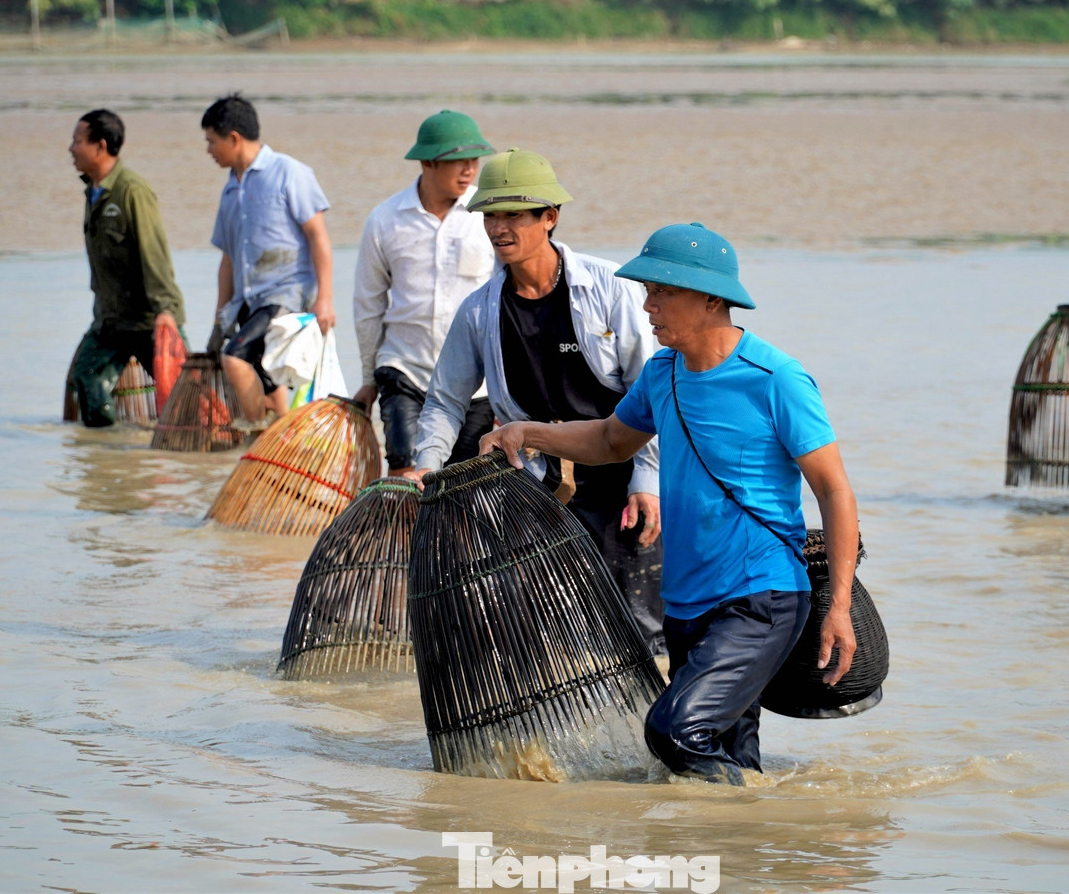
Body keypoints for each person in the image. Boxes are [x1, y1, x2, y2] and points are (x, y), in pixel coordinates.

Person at [479, 223, 860, 786]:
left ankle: (762, 819)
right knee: (722, 748)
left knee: (673, 732)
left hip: (761, 595)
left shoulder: (775, 378)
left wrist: (840, 605)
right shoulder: (663, 373)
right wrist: (527, 431)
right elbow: (611, 441)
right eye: (647, 290)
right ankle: (748, 850)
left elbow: (834, 490)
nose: (648, 304)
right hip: (683, 604)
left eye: (663, 292)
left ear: (711, 300)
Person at [411, 149, 666, 653]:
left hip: (620, 477)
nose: (498, 228)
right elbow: (444, 401)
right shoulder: (480, 311)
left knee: (641, 630)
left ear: (549, 217)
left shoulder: (609, 288)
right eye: (490, 215)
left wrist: (649, 480)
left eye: (514, 215)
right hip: (536, 485)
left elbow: (651, 391)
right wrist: (425, 467)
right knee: (542, 626)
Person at [352, 110, 497, 475]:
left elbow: (509, 301)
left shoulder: (490, 216)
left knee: (462, 490)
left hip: (475, 384)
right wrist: (369, 379)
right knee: (406, 479)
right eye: (458, 161)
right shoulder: (385, 220)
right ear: (428, 162)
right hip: (404, 371)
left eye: (474, 160)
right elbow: (368, 306)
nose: (469, 170)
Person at [203, 94, 335, 427]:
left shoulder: (288, 173)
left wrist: (325, 299)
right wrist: (221, 319)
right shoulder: (230, 190)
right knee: (272, 385)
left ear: (233, 138)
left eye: (211, 142)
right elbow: (228, 260)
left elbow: (318, 236)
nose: (208, 150)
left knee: (234, 358)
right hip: (249, 299)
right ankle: (283, 437)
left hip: (285, 296)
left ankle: (257, 438)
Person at [67, 108, 187, 428]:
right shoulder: (93, 192)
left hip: (148, 318)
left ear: (100, 146)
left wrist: (165, 312)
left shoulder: (132, 191)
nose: (71, 149)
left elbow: (154, 254)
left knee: (185, 397)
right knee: (87, 379)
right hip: (110, 320)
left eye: (77, 141)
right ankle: (108, 453)